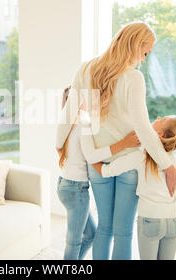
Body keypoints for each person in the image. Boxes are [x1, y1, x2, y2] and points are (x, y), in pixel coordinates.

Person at [56, 21, 176, 260]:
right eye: (145, 52)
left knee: (104, 228)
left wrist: (59, 143)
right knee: (122, 232)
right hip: (129, 162)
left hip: (99, 163)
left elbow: (68, 113)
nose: (144, 59)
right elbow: (144, 128)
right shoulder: (133, 78)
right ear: (135, 44)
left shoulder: (85, 69)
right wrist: (167, 166)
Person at [91, 115, 176, 260]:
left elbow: (106, 171)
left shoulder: (141, 155)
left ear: (161, 135)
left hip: (151, 221)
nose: (158, 117)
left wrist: (91, 159)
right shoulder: (171, 158)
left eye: (163, 119)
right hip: (174, 222)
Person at [56, 88, 140, 260]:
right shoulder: (83, 124)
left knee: (91, 234)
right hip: (76, 189)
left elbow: (59, 149)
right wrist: (125, 143)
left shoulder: (65, 125)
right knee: (74, 241)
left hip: (64, 184)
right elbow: (92, 156)